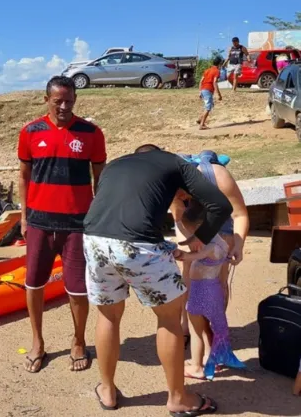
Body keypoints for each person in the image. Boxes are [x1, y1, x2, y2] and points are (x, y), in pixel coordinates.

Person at [83, 143, 232, 414]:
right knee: (169, 319)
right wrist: (199, 239)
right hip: (137, 243)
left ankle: (107, 391)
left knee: (107, 316)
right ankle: (178, 398)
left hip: (94, 239)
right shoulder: (174, 163)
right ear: (159, 153)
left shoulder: (115, 164)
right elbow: (220, 204)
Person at [18, 75, 107, 373]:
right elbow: (23, 177)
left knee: (78, 289)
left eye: (69, 100)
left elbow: (100, 177)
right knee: (33, 283)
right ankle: (37, 342)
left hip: (78, 224)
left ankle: (79, 340)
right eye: (58, 101)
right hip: (39, 222)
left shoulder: (91, 133)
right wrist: (23, 217)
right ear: (47, 100)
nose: (64, 106)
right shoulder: (30, 131)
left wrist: (99, 215)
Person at [171, 150, 248, 375]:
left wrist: (238, 245)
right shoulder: (173, 192)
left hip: (220, 221)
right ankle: (195, 330)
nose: (181, 198)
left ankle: (212, 337)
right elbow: (178, 218)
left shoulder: (218, 177)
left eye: (183, 195)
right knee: (190, 277)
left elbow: (240, 214)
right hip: (190, 222)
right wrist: (188, 242)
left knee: (218, 281)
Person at [175, 216, 246, 380]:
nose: (193, 235)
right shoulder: (222, 243)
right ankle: (212, 358)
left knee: (196, 331)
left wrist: (175, 252)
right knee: (209, 326)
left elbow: (186, 257)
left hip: (200, 291)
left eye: (194, 232)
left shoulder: (209, 247)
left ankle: (196, 366)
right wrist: (179, 224)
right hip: (213, 289)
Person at [197, 56, 223, 130]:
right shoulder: (217, 71)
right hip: (208, 90)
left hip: (203, 89)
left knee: (209, 105)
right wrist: (219, 94)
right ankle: (202, 125)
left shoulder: (207, 70)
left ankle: (200, 119)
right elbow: (214, 82)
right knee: (208, 108)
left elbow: (201, 81)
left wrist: (200, 91)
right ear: (219, 64)